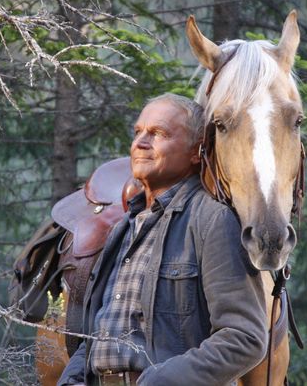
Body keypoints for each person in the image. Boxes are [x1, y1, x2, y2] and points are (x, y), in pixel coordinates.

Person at [58, 93, 267, 386]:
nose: (140, 143)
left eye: (159, 133)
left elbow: (245, 338)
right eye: (138, 132)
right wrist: (72, 379)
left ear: (197, 151)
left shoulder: (212, 221)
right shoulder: (124, 225)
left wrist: (161, 381)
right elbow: (97, 334)